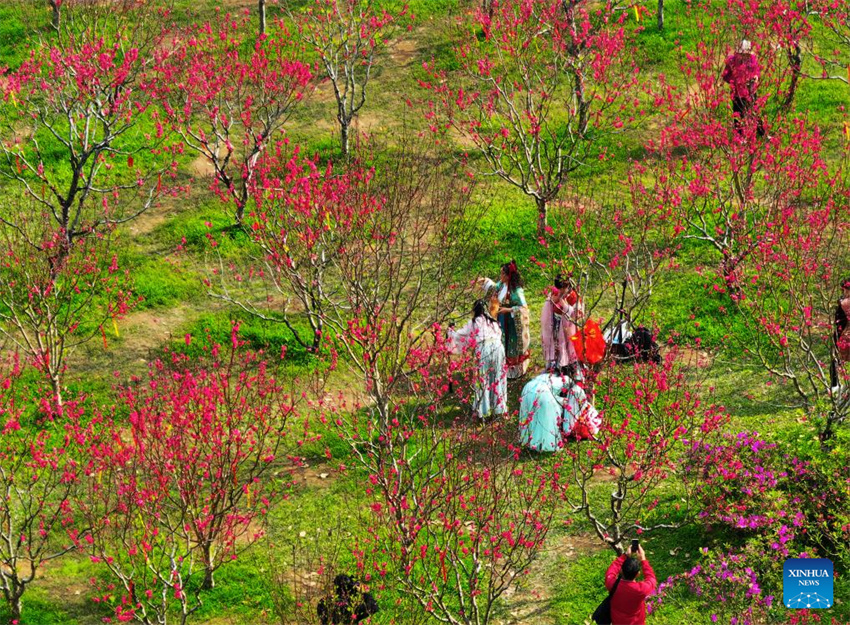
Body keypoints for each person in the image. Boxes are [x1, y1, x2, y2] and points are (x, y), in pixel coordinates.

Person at [449, 300, 508, 419]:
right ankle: (499, 408)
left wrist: (451, 332)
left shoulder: (474, 322)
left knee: (483, 379)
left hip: (484, 348)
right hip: (498, 347)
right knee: (498, 376)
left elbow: (460, 335)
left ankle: (483, 410)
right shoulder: (493, 322)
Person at [518, 372, 600, 451]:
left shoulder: (552, 378)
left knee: (533, 416)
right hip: (542, 391)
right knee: (547, 417)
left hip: (528, 388)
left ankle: (528, 440)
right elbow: (557, 397)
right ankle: (545, 444)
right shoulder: (568, 384)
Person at [482, 260, 531, 379]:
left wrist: (508, 310)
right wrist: (485, 282)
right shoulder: (501, 285)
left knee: (511, 344)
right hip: (502, 320)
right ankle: (501, 364)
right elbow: (494, 288)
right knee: (501, 341)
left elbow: (523, 307)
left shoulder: (516, 291)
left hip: (512, 323)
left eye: (502, 274)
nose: (500, 276)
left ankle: (513, 370)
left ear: (508, 276)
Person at [722, 39, 765, 138]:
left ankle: (762, 133)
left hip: (750, 91)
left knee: (755, 112)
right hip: (737, 93)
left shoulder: (752, 58)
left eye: (746, 54)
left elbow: (756, 70)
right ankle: (739, 138)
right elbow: (725, 76)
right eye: (742, 54)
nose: (744, 56)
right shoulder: (732, 61)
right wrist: (735, 81)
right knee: (738, 115)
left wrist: (756, 76)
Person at [604, 544, 657, 625]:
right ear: (638, 574)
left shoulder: (612, 584)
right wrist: (643, 559)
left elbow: (610, 571)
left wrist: (624, 556)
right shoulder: (641, 590)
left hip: (617, 621)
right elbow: (651, 579)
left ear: (621, 571)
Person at [541, 276, 582, 376]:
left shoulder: (573, 296)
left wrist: (566, 306)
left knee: (567, 346)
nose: (559, 290)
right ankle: (555, 365)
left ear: (567, 286)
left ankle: (569, 367)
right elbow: (550, 302)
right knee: (555, 345)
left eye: (562, 288)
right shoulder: (556, 293)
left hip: (567, 327)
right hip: (555, 324)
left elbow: (578, 313)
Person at [831, 278, 850, 389]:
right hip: (842, 332)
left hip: (843, 333)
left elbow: (837, 319)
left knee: (835, 357)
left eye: (845, 289)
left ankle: (834, 384)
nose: (844, 292)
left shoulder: (844, 302)